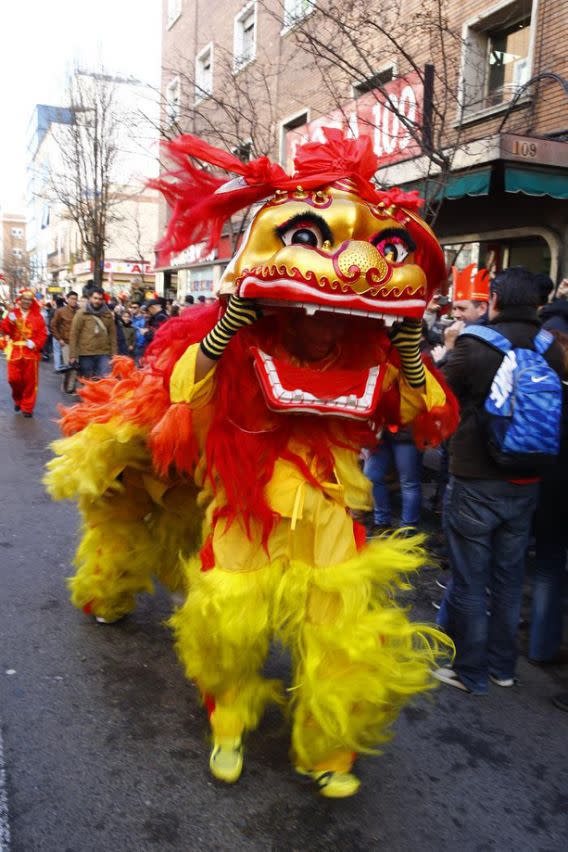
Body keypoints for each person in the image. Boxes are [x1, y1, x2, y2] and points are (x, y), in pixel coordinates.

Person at [46, 129, 459, 798]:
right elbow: (184, 390)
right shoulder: (240, 346)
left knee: (340, 632)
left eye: (332, 318)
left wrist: (409, 349)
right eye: (310, 314)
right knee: (230, 626)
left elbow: (423, 411)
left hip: (328, 513)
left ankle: (328, 749)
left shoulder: (367, 356)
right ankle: (229, 723)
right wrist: (226, 325)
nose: (322, 324)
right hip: (245, 506)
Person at [434, 267, 566, 695]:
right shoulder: (552, 349)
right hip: (529, 478)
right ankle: (501, 668)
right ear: (537, 304)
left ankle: (468, 671)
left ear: (494, 301)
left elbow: (440, 400)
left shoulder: (474, 345)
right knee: (509, 579)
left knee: (471, 579)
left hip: (475, 475)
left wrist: (450, 348)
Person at [528, 329, 568, 670]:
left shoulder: (550, 387)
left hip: (550, 486)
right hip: (554, 486)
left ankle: (540, 644)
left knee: (547, 566)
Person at [0, 289, 47, 417]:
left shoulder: (37, 317)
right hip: (15, 352)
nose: (26, 302)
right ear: (20, 300)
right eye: (24, 299)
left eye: (29, 300)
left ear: (32, 302)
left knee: (30, 382)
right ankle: (18, 399)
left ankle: (27, 407)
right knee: (13, 379)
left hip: (30, 353)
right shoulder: (12, 314)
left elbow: (42, 335)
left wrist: (35, 343)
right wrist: (9, 320)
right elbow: (4, 330)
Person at [69, 287, 117, 379]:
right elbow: (74, 334)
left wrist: (114, 353)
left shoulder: (107, 314)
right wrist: (73, 355)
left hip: (104, 353)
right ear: (90, 298)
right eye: (95, 298)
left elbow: (112, 335)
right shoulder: (81, 313)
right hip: (86, 353)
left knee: (105, 380)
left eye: (100, 299)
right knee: (87, 381)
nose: (97, 301)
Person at [51, 291, 79, 391]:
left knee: (75, 366)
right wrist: (59, 339)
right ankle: (67, 387)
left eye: (75, 299)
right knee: (69, 365)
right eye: (71, 298)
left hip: (77, 343)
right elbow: (53, 326)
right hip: (66, 342)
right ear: (67, 299)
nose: (73, 301)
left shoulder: (79, 311)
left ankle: (71, 387)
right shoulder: (60, 311)